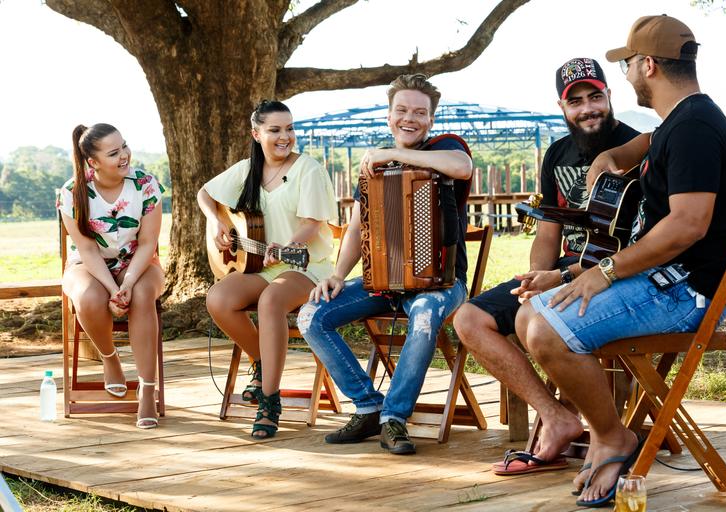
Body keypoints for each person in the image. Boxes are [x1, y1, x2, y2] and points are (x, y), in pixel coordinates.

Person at [514, 15, 726, 507]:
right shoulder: (680, 122)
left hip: (688, 293)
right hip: (665, 281)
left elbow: (687, 225)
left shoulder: (696, 129)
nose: (627, 78)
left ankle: (612, 436)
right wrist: (611, 157)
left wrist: (604, 271)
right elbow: (644, 144)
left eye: (627, 68)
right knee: (529, 312)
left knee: (545, 330)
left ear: (648, 66)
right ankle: (605, 432)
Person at [453, 57, 641, 476]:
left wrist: (561, 279)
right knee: (468, 319)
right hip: (560, 270)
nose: (588, 108)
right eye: (577, 101)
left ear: (609, 96)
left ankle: (604, 428)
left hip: (609, 273)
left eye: (596, 96)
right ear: (562, 106)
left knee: (533, 319)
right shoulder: (557, 153)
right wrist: (537, 276)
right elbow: (547, 230)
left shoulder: (639, 146)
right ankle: (556, 417)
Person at [297, 73, 473, 455]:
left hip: (440, 284)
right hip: (383, 282)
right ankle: (368, 406)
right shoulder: (372, 167)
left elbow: (461, 168)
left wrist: (393, 154)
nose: (410, 118)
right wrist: (338, 275)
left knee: (425, 315)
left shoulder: (447, 146)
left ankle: (394, 418)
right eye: (402, 110)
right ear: (389, 115)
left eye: (420, 112)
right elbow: (359, 227)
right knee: (312, 316)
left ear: (431, 119)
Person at [198, 100, 336, 439]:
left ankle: (270, 400)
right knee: (218, 299)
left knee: (271, 301)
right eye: (275, 130)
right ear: (256, 133)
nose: (284, 136)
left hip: (307, 266)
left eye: (289, 128)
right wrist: (216, 221)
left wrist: (290, 245)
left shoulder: (309, 170)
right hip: (261, 265)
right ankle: (262, 361)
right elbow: (204, 193)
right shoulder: (248, 169)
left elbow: (312, 222)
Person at [57, 123, 165, 429]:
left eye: (124, 146)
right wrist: (111, 290)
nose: (124, 155)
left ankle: (147, 390)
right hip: (89, 264)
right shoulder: (72, 192)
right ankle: (110, 358)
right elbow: (88, 251)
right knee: (90, 297)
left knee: (143, 295)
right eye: (114, 152)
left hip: (140, 262)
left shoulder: (145, 184)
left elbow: (147, 243)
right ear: (93, 162)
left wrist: (128, 283)